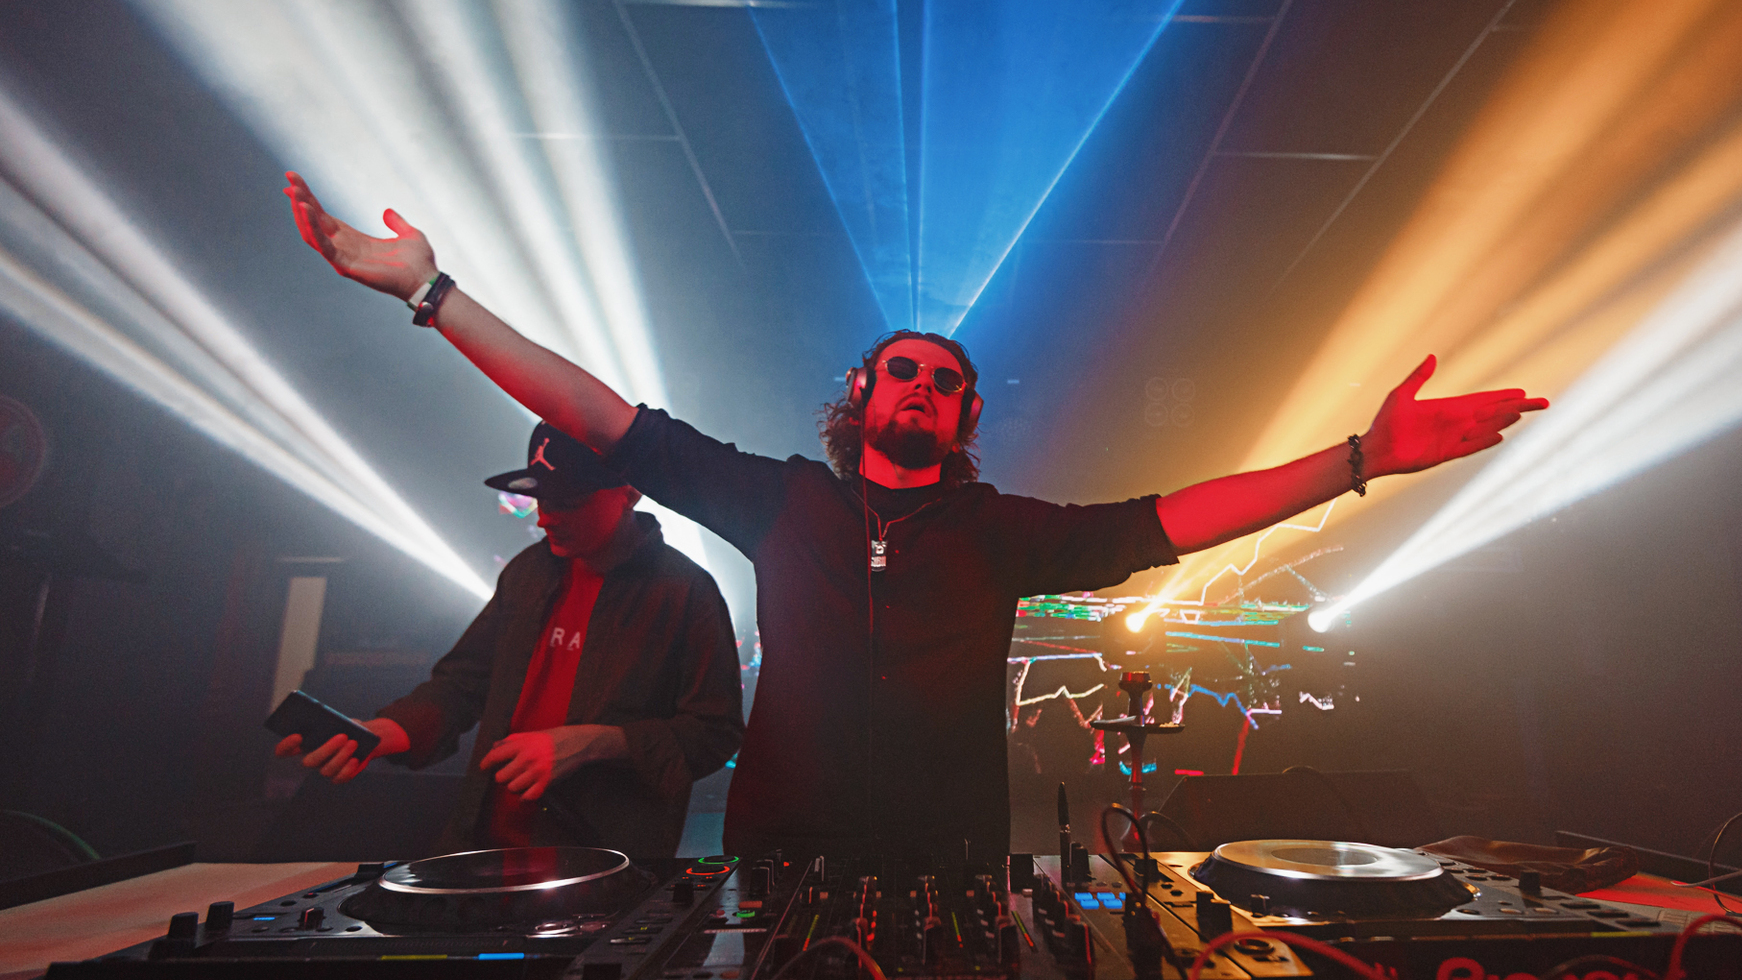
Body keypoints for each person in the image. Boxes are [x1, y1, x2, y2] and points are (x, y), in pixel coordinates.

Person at [284, 172, 1546, 861]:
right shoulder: (783, 500)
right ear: (862, 394)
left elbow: (1175, 519)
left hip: (947, 858)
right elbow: (601, 416)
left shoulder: (1001, 531)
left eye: (946, 382)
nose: (923, 388)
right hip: (782, 855)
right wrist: (434, 294)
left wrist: (1362, 458)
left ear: (966, 414)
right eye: (904, 371)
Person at [273, 421, 744, 860]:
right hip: (483, 848)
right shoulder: (528, 572)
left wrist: (597, 743)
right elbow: (463, 683)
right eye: (541, 499)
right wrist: (389, 731)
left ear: (629, 491)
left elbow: (714, 733)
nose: (545, 518)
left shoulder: (685, 591)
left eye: (568, 501)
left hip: (602, 863)